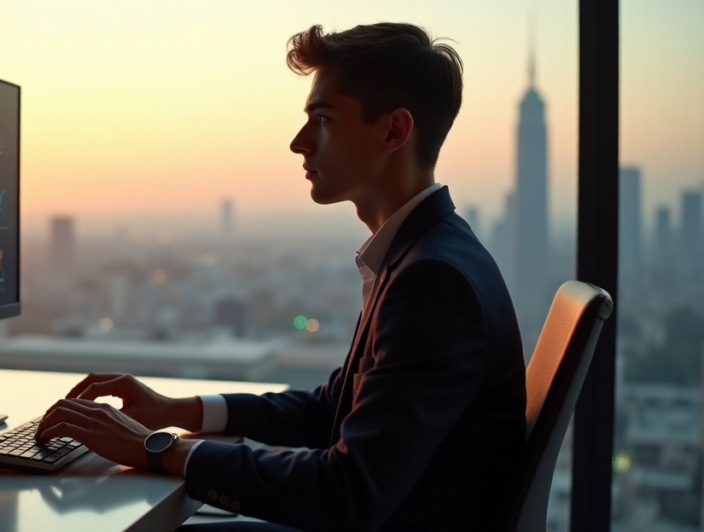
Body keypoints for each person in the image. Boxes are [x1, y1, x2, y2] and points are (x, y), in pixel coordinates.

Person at [35, 22, 527, 531]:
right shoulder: (426, 252)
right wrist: (175, 410)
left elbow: (348, 490)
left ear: (393, 131)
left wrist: (151, 449)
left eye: (324, 119)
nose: (299, 143)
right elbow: (331, 410)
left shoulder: (432, 281)